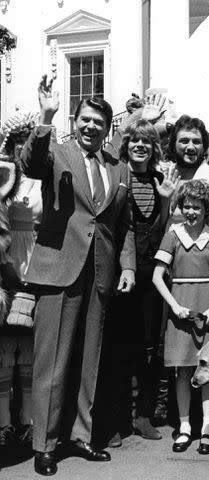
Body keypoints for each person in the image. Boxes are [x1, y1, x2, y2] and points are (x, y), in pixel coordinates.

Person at [21, 76, 135, 476]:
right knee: (52, 361)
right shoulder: (57, 152)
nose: (91, 127)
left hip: (100, 274)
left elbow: (126, 224)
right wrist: (45, 116)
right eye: (85, 120)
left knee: (90, 359)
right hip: (59, 270)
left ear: (107, 130)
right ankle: (45, 445)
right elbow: (31, 163)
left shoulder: (118, 168)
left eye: (98, 123)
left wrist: (128, 266)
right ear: (76, 120)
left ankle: (80, 436)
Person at [103, 119, 178, 447]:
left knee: (150, 345)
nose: (140, 146)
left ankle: (143, 414)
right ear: (126, 144)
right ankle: (115, 418)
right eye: (134, 140)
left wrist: (165, 199)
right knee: (118, 343)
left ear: (154, 148)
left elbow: (162, 229)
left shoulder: (161, 179)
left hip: (153, 270)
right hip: (122, 267)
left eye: (146, 142)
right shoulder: (116, 175)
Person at [152, 179, 209, 455]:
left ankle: (207, 426)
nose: (191, 211)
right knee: (182, 371)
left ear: (207, 208)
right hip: (181, 311)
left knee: (207, 372)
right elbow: (157, 276)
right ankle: (185, 427)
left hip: (205, 310)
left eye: (196, 206)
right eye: (186, 206)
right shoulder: (173, 235)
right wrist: (173, 306)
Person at [0, 110, 40, 449]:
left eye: (26, 143)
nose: (21, 149)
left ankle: (27, 420)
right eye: (17, 143)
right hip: (5, 262)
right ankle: (4, 422)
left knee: (27, 350)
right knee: (4, 349)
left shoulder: (42, 180)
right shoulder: (2, 178)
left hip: (36, 265)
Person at [165, 115, 209, 274]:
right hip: (167, 270)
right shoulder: (167, 177)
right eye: (184, 141)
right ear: (173, 144)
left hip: (200, 272)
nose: (190, 147)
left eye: (196, 142)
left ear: (204, 147)